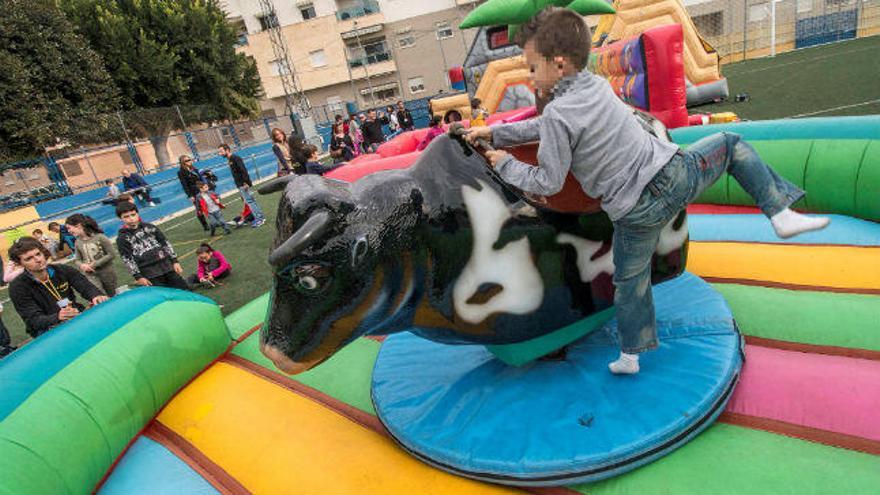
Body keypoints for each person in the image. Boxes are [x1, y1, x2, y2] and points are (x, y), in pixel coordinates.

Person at [465, 7, 830, 376]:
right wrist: (495, 132)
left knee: (629, 281)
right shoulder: (594, 85)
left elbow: (548, 182)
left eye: (532, 68)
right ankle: (780, 213)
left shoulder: (559, 116)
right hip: (675, 175)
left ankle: (631, 355)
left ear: (558, 66)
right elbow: (546, 124)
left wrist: (502, 161)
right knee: (731, 144)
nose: (529, 77)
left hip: (634, 213)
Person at [8, 237, 107, 338]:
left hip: (73, 315)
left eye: (38, 254)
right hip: (46, 330)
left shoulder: (62, 269)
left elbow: (85, 286)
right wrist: (58, 317)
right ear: (20, 264)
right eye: (29, 259)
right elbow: (33, 320)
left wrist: (96, 296)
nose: (38, 260)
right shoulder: (17, 287)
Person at [115, 202, 189, 290]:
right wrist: (138, 277)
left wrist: (174, 261)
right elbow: (127, 259)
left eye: (133, 215)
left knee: (184, 290)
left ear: (137, 214)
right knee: (165, 298)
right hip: (150, 274)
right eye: (126, 217)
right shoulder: (122, 238)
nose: (131, 219)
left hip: (167, 266)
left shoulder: (150, 227)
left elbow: (165, 244)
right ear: (120, 218)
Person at [65, 214, 117, 297]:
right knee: (99, 295)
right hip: (90, 275)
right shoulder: (77, 242)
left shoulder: (100, 237)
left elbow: (112, 254)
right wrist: (82, 265)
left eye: (69, 228)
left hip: (107, 273)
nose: (68, 231)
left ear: (78, 226)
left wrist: (95, 264)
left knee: (112, 295)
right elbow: (77, 259)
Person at [218, 144, 266, 228]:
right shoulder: (230, 160)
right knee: (250, 201)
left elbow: (243, 170)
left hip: (243, 184)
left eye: (221, 151)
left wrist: (245, 183)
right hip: (240, 185)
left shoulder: (235, 158)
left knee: (250, 201)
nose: (220, 153)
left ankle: (260, 218)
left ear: (227, 150)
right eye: (219, 152)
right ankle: (260, 217)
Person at [177, 155, 210, 231]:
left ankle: (213, 221)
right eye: (187, 160)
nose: (189, 161)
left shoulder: (194, 169)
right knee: (199, 209)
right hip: (193, 192)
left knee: (208, 205)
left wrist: (204, 187)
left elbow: (200, 178)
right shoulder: (181, 172)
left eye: (190, 159)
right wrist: (190, 196)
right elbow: (184, 185)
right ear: (183, 162)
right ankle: (205, 225)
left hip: (201, 189)